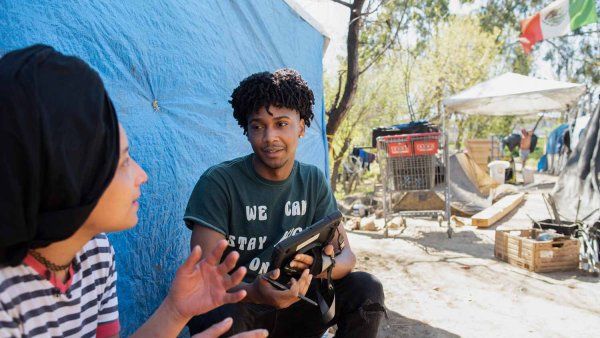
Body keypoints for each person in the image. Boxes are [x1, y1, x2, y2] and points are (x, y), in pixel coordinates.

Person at [0, 45, 267, 338]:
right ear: (71, 175)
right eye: (125, 160)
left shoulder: (93, 254)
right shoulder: (7, 300)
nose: (142, 175)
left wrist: (175, 311)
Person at [184, 69, 386, 337]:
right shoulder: (220, 183)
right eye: (257, 126)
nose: (270, 138)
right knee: (218, 313)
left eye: (281, 124)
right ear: (246, 131)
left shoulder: (312, 181)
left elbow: (347, 257)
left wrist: (318, 268)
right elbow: (201, 280)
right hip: (243, 306)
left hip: (299, 305)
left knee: (366, 289)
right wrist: (254, 292)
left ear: (301, 126)